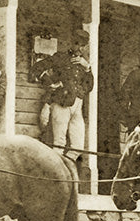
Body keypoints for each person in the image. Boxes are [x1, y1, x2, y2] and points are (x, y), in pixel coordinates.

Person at [32, 27, 94, 156]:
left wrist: (87, 68)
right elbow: (37, 67)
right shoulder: (60, 57)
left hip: (77, 106)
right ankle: (56, 174)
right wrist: (50, 83)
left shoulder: (84, 63)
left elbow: (89, 87)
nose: (80, 49)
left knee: (77, 148)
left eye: (83, 46)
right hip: (61, 104)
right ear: (72, 43)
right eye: (77, 44)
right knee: (58, 144)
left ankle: (65, 170)